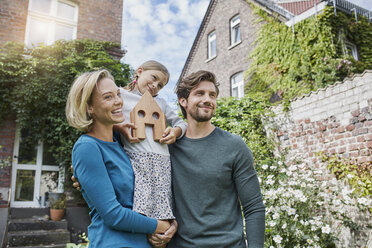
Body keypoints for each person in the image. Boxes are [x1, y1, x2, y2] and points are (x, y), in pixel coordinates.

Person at [149, 70, 266, 247]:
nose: (208, 99)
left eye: (212, 95)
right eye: (200, 93)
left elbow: (253, 207)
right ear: (183, 101)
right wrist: (154, 229)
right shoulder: (166, 146)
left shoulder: (234, 145)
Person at [66, 69, 170, 248]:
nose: (118, 102)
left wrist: (168, 227)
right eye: (108, 97)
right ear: (88, 107)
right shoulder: (87, 147)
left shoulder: (120, 144)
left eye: (118, 94)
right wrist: (160, 226)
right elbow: (113, 214)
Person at [114, 60, 187, 221]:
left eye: (160, 85)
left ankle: (161, 237)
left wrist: (175, 131)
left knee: (162, 207)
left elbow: (181, 123)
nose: (155, 85)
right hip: (136, 157)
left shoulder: (161, 103)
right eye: (153, 78)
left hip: (162, 161)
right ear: (139, 71)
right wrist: (118, 127)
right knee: (141, 205)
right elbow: (102, 114)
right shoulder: (119, 94)